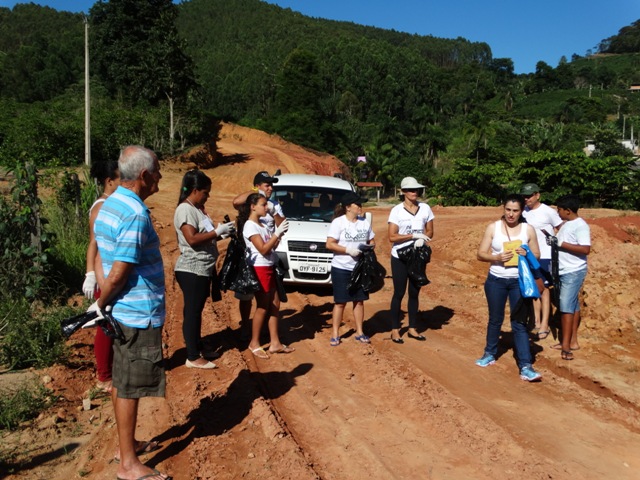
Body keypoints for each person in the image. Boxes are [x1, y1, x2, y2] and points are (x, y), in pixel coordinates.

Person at [90, 145, 170, 480]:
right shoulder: (136, 214)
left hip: (122, 310)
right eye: (157, 173)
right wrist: (101, 302)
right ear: (144, 176)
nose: (160, 179)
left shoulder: (110, 205)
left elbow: (101, 254)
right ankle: (129, 465)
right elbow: (120, 271)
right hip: (137, 312)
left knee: (122, 381)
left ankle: (127, 447)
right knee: (131, 386)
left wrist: (101, 296)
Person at [475, 193, 543, 382]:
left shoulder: (528, 230)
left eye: (515, 211)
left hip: (518, 281)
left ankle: (526, 365)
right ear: (503, 209)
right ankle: (489, 353)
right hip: (496, 280)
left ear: (521, 211)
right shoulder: (493, 227)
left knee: (519, 324)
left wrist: (526, 251)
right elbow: (480, 254)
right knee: (495, 319)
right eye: (508, 210)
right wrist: (496, 257)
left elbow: (537, 254)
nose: (511, 214)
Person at [174, 170, 234, 369]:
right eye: (205, 192)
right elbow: (191, 239)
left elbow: (205, 236)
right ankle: (192, 356)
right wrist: (216, 232)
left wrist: (220, 233)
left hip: (202, 268)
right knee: (192, 311)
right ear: (194, 190)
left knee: (197, 310)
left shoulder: (198, 209)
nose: (207, 196)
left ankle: (197, 346)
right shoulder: (185, 210)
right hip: (192, 268)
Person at [238, 192, 293, 359]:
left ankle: (275, 343)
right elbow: (262, 249)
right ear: (253, 206)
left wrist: (279, 233)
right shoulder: (250, 225)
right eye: (263, 204)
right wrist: (277, 234)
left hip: (269, 266)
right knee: (263, 305)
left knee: (275, 303)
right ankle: (254, 342)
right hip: (260, 267)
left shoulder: (262, 225)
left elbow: (272, 247)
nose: (266, 207)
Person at [83, 159, 120, 393]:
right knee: (105, 324)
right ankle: (103, 376)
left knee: (110, 321)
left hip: (110, 272)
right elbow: (93, 244)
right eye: (120, 179)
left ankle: (111, 368)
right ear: (109, 182)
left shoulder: (111, 204)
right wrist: (90, 273)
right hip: (104, 274)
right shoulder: (100, 207)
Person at [232, 171, 284, 336]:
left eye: (271, 185)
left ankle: (263, 332)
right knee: (246, 296)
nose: (270, 188)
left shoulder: (274, 204)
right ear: (258, 186)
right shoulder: (252, 202)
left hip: (269, 253)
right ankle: (245, 327)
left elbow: (282, 224)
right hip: (251, 255)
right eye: (267, 185)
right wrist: (256, 194)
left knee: (268, 299)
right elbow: (236, 202)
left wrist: (274, 211)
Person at [387, 177, 434, 344]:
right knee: (399, 293)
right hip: (400, 255)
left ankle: (412, 328)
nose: (414, 192)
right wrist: (413, 235)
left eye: (416, 190)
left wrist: (423, 238)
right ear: (403, 192)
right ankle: (395, 329)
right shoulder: (396, 211)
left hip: (417, 255)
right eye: (410, 190)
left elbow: (430, 230)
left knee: (414, 292)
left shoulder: (425, 208)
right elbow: (392, 236)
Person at [326, 191, 375, 346]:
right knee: (340, 302)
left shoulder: (364, 222)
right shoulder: (338, 223)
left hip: (359, 267)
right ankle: (335, 333)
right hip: (341, 267)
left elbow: (372, 240)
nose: (360, 207)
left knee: (359, 301)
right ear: (348, 207)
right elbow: (329, 244)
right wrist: (348, 250)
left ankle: (360, 331)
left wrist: (368, 247)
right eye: (357, 204)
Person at [550, 195, 591, 360]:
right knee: (572, 305)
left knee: (566, 306)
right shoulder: (567, 225)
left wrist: (561, 244)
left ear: (567, 211)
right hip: (564, 270)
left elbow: (585, 249)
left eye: (559, 209)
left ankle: (566, 347)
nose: (557, 212)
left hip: (573, 271)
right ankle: (572, 341)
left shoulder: (580, 226)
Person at [520, 183, 563, 340]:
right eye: (524, 196)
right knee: (532, 287)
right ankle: (535, 321)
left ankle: (545, 323)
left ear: (537, 195)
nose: (527, 199)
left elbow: (560, 227)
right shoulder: (522, 211)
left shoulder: (548, 212)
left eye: (529, 196)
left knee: (544, 289)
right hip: (527, 255)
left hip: (545, 255)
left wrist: (556, 245)